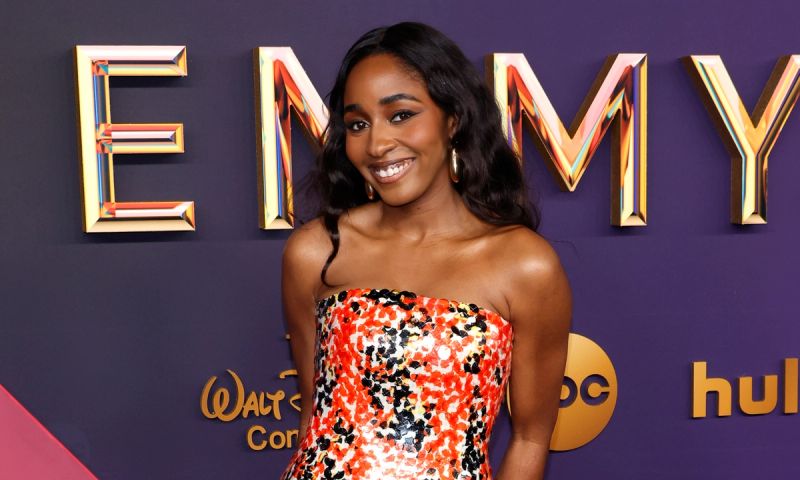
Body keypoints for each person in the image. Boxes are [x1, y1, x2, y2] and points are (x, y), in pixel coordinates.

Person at [281, 22, 570, 480]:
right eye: (358, 124)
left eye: (400, 115)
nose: (377, 144)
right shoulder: (316, 251)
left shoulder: (525, 265)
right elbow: (313, 420)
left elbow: (531, 439)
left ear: (452, 119)